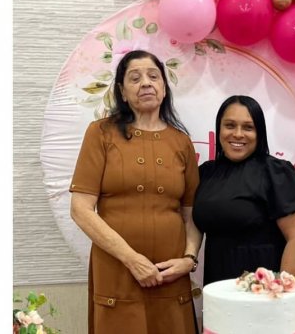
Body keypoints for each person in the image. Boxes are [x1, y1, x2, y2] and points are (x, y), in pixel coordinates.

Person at [70, 51, 200, 334]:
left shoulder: (181, 142)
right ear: (122, 92)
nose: (146, 83)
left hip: (170, 276)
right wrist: (131, 259)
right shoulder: (101, 133)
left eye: (154, 76)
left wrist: (189, 260)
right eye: (135, 78)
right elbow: (80, 209)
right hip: (117, 271)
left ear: (164, 88)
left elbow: (191, 214)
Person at [193, 95, 295, 288]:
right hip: (218, 284)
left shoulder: (276, 172)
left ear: (259, 133)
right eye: (230, 125)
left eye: (248, 127)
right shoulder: (206, 173)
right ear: (219, 129)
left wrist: (285, 292)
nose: (238, 134)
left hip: (265, 289)